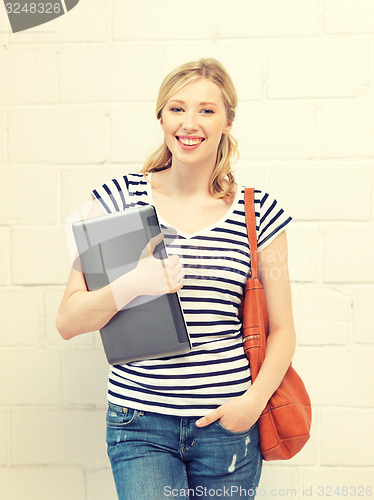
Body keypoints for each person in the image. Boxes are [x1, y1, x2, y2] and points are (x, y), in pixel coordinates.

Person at [56, 58, 296, 500]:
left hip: (228, 427)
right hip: (140, 423)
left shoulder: (257, 212)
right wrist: (136, 282)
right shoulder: (119, 200)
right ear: (161, 117)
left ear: (228, 121)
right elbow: (68, 320)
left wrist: (252, 403)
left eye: (207, 110)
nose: (190, 123)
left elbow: (282, 328)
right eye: (177, 108)